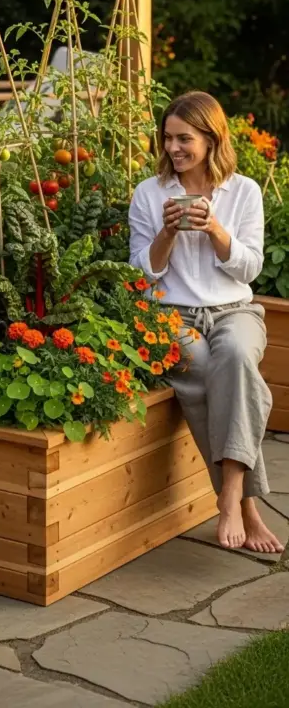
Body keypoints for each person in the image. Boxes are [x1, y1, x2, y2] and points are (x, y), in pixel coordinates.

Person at [128, 90, 282, 553]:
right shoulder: (150, 194)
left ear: (212, 138)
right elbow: (142, 274)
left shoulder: (245, 191)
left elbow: (250, 269)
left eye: (184, 139)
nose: (173, 148)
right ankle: (244, 506)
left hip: (236, 311)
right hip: (170, 315)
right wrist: (168, 232)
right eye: (168, 138)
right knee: (204, 368)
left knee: (235, 355)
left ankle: (231, 495)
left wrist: (216, 230)